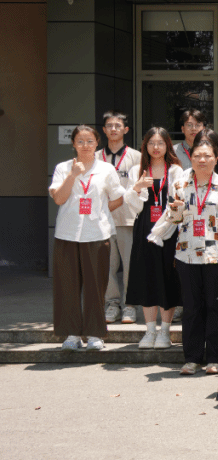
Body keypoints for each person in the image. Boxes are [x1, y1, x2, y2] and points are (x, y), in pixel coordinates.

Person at [148, 131, 218, 375]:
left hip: (217, 254)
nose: (202, 160)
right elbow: (174, 219)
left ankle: (215, 358)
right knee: (191, 308)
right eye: (197, 155)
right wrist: (174, 211)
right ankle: (192, 358)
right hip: (186, 254)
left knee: (215, 307)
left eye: (207, 156)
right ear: (191, 157)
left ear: (215, 158)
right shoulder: (180, 184)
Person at [49, 125, 137, 351]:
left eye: (90, 141)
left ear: (97, 143)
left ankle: (95, 334)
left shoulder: (106, 169)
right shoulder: (63, 168)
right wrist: (73, 175)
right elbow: (58, 198)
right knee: (67, 286)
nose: (85, 145)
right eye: (80, 141)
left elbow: (118, 197)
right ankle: (71, 334)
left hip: (97, 234)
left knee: (96, 286)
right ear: (73, 144)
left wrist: (102, 212)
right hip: (67, 234)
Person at [125, 128, 185, 349]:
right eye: (152, 143)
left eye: (160, 143)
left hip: (169, 229)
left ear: (167, 145)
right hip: (145, 229)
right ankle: (150, 331)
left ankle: (165, 332)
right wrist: (137, 188)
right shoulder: (137, 170)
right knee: (146, 278)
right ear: (145, 146)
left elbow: (180, 199)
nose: (156, 147)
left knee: (167, 278)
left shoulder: (176, 170)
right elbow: (132, 204)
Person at [100, 111, 142, 325]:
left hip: (129, 220)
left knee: (130, 267)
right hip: (102, 221)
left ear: (125, 130)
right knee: (106, 267)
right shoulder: (96, 157)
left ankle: (130, 305)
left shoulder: (137, 157)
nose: (114, 129)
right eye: (109, 125)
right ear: (104, 130)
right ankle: (112, 304)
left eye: (118, 125)